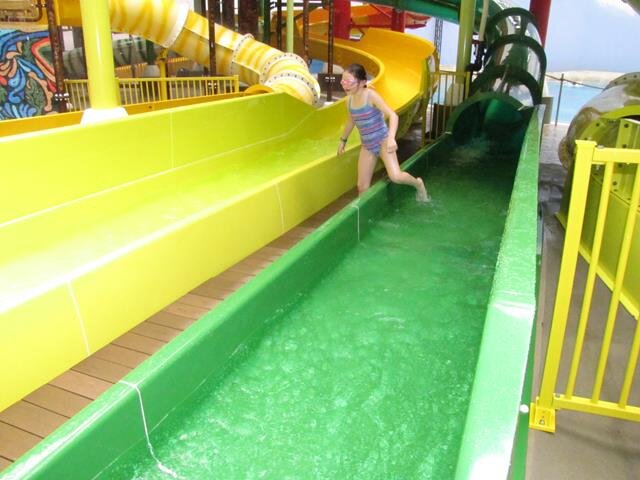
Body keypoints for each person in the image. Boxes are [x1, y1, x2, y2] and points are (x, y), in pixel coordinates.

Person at [337, 63, 429, 202]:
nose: (345, 85)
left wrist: (391, 138)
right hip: (367, 145)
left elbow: (393, 115)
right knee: (362, 186)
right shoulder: (349, 100)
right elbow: (351, 120)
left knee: (396, 176)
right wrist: (343, 140)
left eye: (349, 81)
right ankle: (364, 215)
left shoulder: (371, 96)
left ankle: (418, 184)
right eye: (343, 80)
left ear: (362, 82)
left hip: (383, 141)